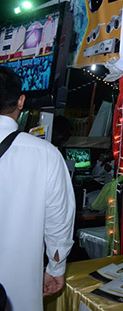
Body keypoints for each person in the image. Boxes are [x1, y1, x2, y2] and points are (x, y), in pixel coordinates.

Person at [0, 66, 75, 311]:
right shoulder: (45, 154)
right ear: (21, 101)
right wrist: (56, 268)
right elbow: (59, 221)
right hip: (17, 288)